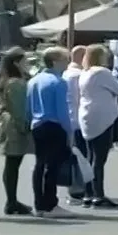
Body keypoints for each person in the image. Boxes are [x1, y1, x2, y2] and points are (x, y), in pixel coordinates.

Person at [76, 43, 118, 209]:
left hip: (87, 115)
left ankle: (88, 193)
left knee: (91, 156)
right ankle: (98, 194)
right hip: (102, 118)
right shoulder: (102, 73)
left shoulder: (84, 73)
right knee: (99, 158)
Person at [26, 46, 73, 217]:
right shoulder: (58, 82)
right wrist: (69, 132)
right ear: (55, 62)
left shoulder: (33, 80)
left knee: (40, 165)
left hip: (37, 124)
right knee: (52, 166)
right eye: (64, 60)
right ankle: (50, 204)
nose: (67, 64)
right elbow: (62, 111)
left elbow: (28, 107)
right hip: (54, 125)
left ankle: (40, 204)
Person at [0, 48, 32, 216]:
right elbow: (19, 108)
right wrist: (24, 126)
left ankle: (12, 200)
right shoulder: (15, 83)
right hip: (14, 126)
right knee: (13, 163)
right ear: (17, 62)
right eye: (25, 60)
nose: (28, 64)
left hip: (7, 123)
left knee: (12, 164)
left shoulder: (7, 80)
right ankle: (11, 201)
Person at [61, 45, 88, 205]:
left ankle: (74, 188)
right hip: (77, 120)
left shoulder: (66, 73)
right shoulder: (77, 75)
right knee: (80, 156)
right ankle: (77, 189)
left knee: (74, 154)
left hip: (69, 119)